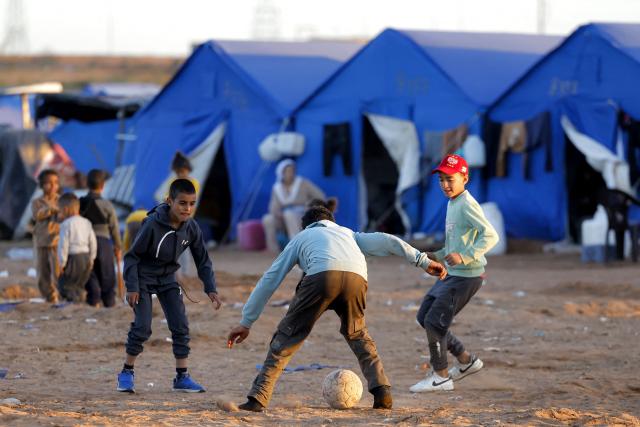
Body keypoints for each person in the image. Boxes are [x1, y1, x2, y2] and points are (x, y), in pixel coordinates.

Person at [227, 205, 448, 412]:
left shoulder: (302, 237)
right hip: (356, 279)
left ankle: (257, 398)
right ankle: (382, 391)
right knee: (358, 333)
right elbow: (389, 241)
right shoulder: (348, 233)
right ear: (331, 221)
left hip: (321, 279)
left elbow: (271, 278)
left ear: (307, 226)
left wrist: (246, 322)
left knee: (288, 336)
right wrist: (423, 261)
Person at [116, 179, 222, 394]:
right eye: (182, 203)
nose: (187, 208)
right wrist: (132, 287)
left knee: (180, 326)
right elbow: (132, 257)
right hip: (143, 279)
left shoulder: (191, 227)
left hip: (168, 280)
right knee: (143, 327)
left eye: (192, 203)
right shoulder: (152, 224)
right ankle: (126, 372)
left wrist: (210, 288)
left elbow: (203, 259)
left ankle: (182, 377)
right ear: (169, 201)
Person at [410, 154, 499, 393]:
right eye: (441, 180)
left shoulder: (467, 204)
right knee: (425, 316)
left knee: (434, 322)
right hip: (454, 273)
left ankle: (440, 376)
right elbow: (455, 244)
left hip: (467, 276)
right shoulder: (453, 203)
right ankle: (466, 360)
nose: (445, 185)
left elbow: (491, 235)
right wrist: (437, 255)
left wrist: (465, 256)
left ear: (465, 178)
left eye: (450, 179)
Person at [262, 159, 326, 252]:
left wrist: (308, 206)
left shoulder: (303, 183)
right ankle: (273, 249)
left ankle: (296, 248)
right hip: (282, 217)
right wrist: (277, 213)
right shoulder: (277, 188)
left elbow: (320, 196)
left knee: (289, 214)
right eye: (288, 171)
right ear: (281, 173)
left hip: (301, 215)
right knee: (268, 219)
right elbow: (273, 206)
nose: (291, 173)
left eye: (292, 171)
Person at [79, 169, 122, 308]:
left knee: (90, 272)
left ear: (86, 184)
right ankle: (109, 301)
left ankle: (93, 299)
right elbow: (114, 227)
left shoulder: (80, 203)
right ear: (103, 186)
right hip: (103, 242)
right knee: (107, 273)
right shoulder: (107, 205)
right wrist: (118, 246)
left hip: (85, 242)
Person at [57, 193, 97, 303]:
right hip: (86, 256)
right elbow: (93, 241)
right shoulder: (87, 222)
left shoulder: (65, 224)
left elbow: (63, 244)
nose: (60, 214)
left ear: (65, 209)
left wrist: (62, 263)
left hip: (73, 257)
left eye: (60, 211)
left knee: (66, 284)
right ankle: (80, 301)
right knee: (80, 283)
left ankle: (72, 303)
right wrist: (92, 258)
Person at [31, 169, 61, 303]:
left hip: (56, 241)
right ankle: (48, 296)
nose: (53, 186)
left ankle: (59, 295)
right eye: (49, 183)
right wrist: (52, 209)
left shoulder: (61, 200)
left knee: (57, 271)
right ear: (42, 185)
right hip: (41, 242)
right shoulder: (37, 202)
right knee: (42, 272)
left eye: (55, 183)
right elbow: (38, 214)